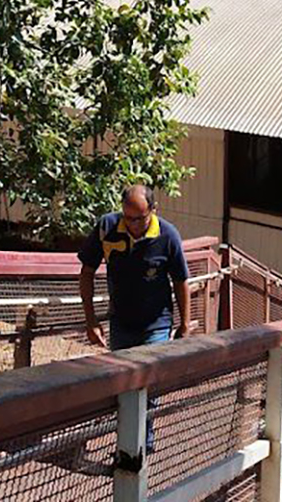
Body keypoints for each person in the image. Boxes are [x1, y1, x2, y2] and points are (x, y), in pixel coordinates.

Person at [79, 184, 190, 453]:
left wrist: (184, 324)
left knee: (147, 382)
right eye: (128, 218)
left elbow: (180, 280)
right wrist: (91, 320)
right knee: (123, 383)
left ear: (153, 211)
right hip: (121, 320)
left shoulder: (167, 234)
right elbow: (87, 272)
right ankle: (129, 442)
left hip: (157, 322)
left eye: (140, 219)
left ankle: (142, 445)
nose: (133, 225)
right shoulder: (107, 227)